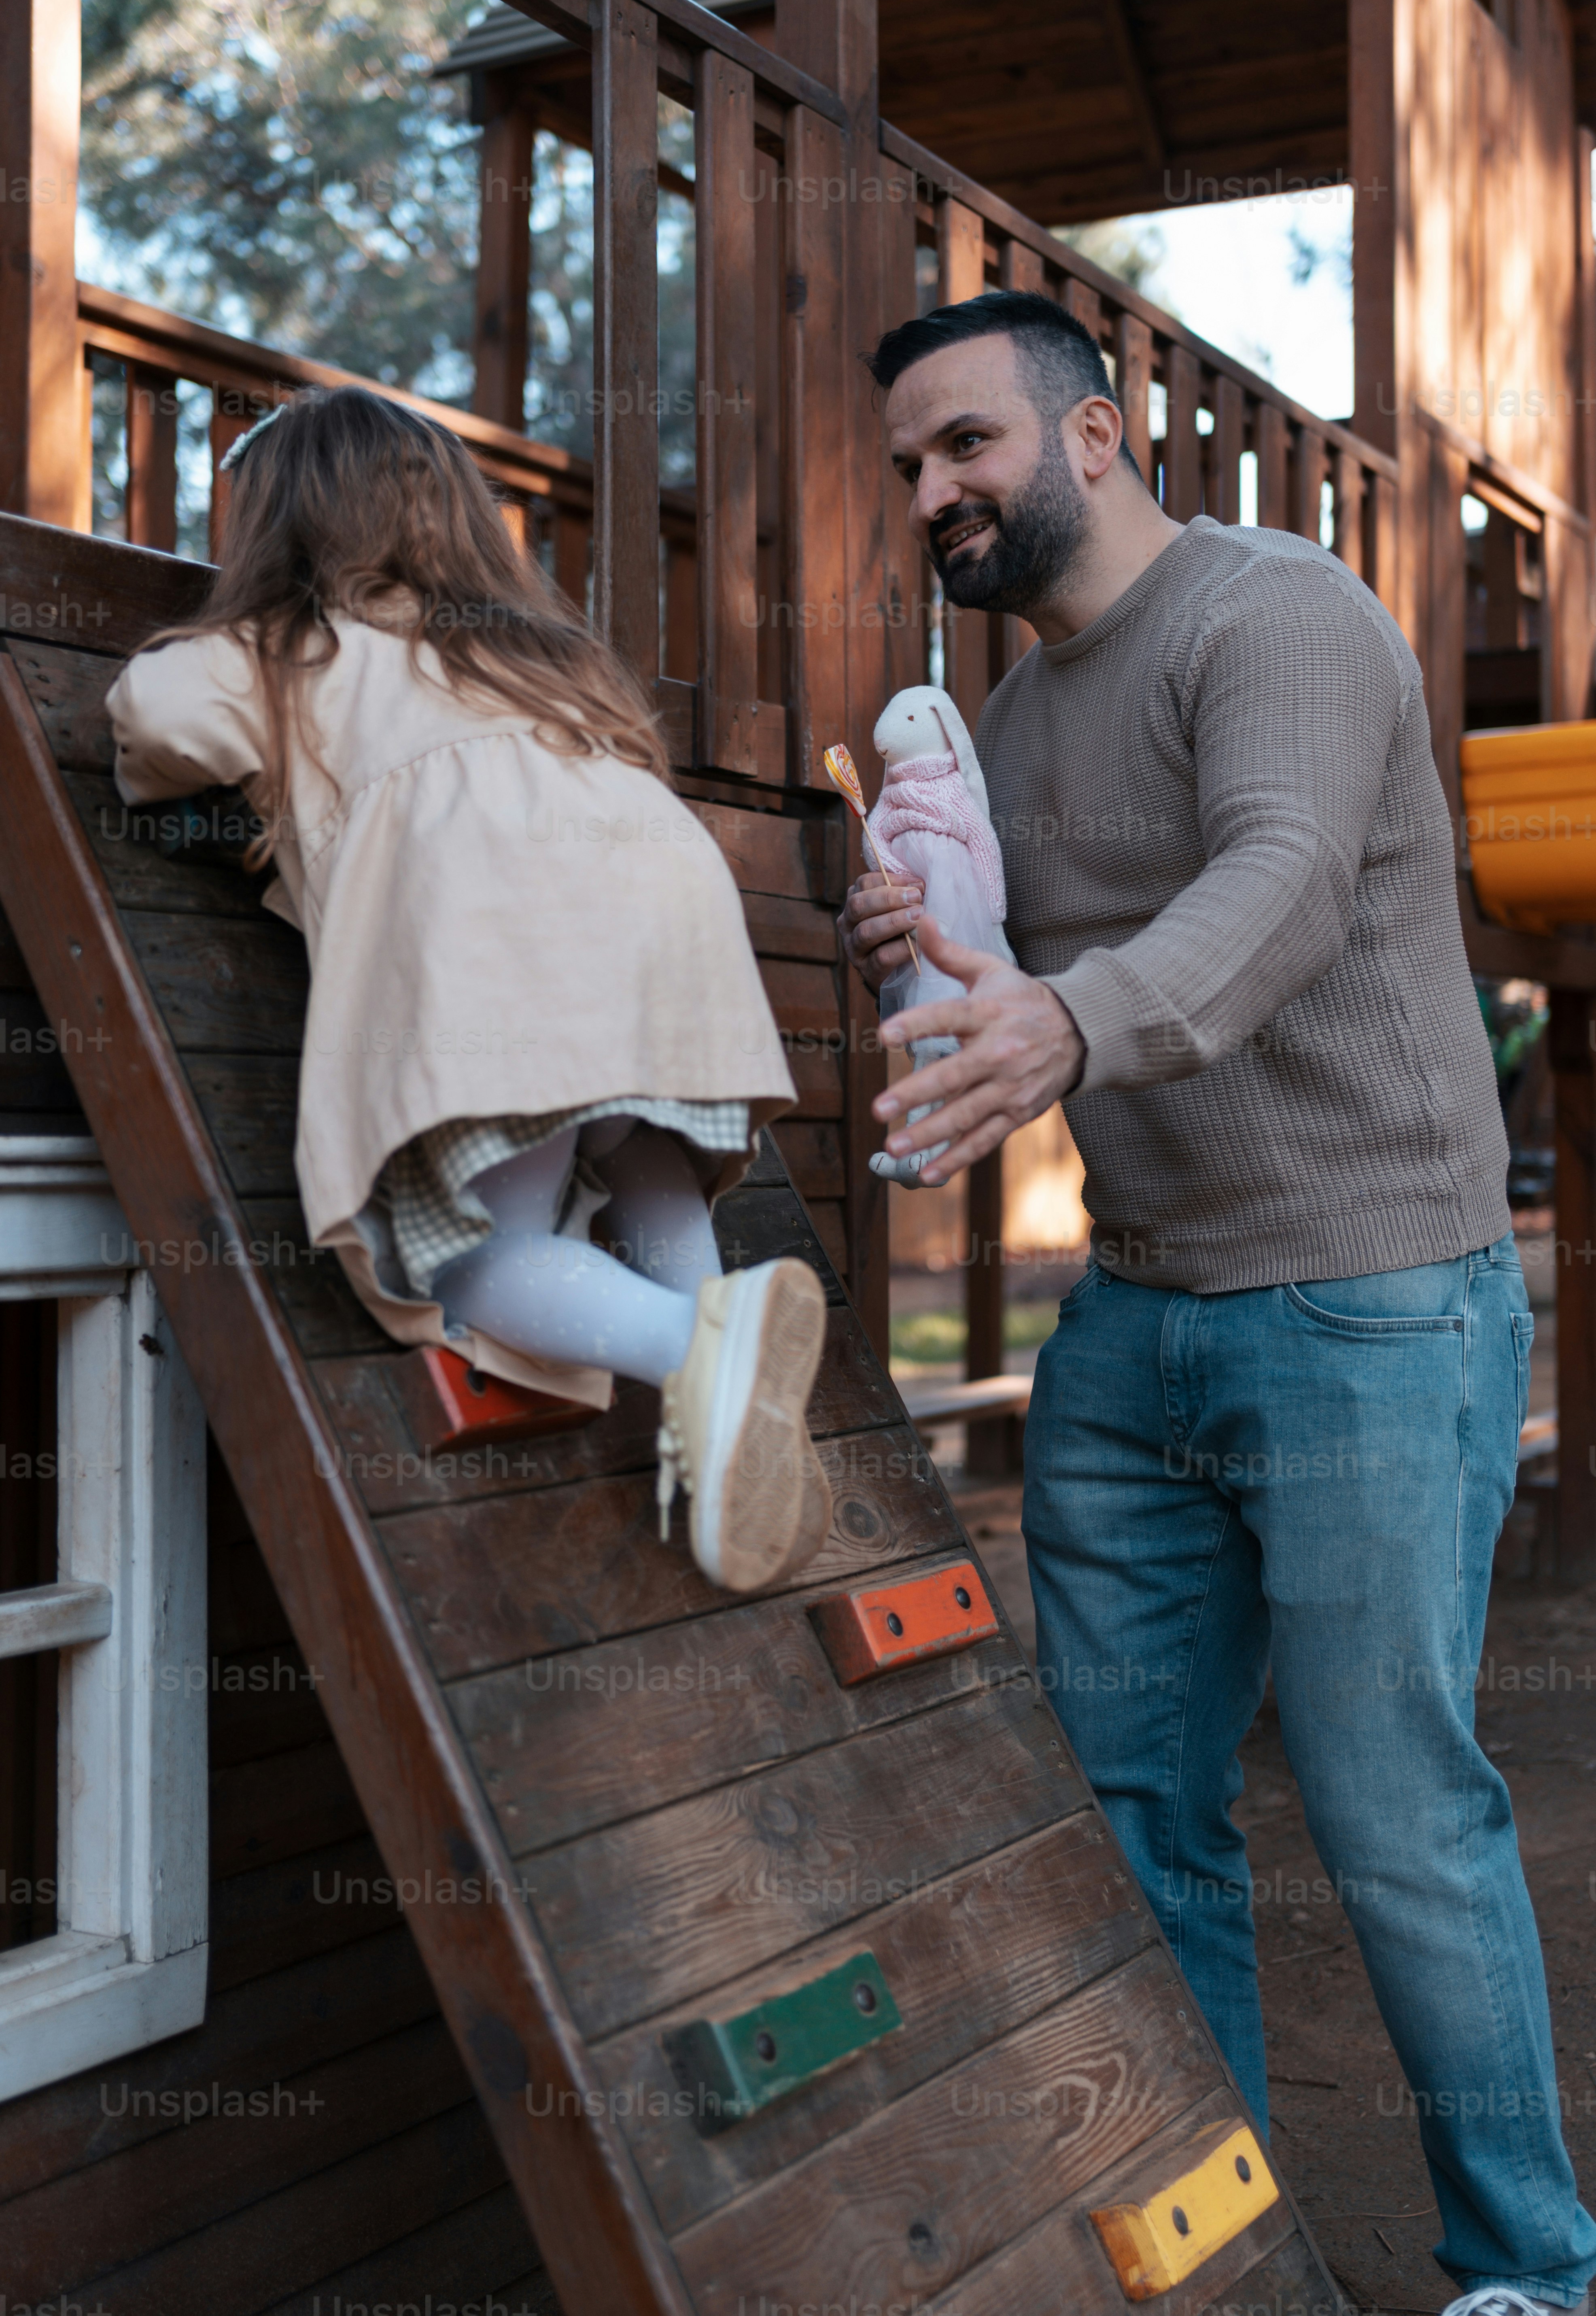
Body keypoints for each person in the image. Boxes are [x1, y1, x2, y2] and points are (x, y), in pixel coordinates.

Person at [839, 289, 1594, 2316]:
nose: (933, 493)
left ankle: (1527, 2271)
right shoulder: (1005, 722)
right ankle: (1224, 2259)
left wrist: (1062, 1017)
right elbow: (1010, 971)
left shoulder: (1278, 617)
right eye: (910, 465)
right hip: (1137, 1319)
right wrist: (924, 939)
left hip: (1363, 1304)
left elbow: (1265, 889)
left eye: (966, 446)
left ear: (1092, 437)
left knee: (1387, 1812)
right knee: (1131, 1816)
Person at [108, 386, 829, 1595]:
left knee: (476, 1261)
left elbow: (155, 718)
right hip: (663, 908)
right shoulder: (532, 655)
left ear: (281, 530)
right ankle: (726, 1414)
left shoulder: (289, 650)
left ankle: (694, 1347)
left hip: (514, 936)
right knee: (640, 1155)